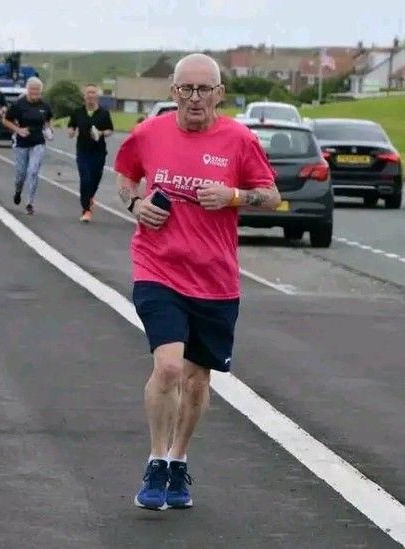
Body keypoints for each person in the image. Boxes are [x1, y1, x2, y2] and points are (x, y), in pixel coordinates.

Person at [114, 53, 282, 510]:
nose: (194, 98)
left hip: (214, 280)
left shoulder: (239, 139)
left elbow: (271, 196)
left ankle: (178, 459)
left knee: (195, 380)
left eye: (204, 89)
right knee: (167, 366)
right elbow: (125, 174)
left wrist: (233, 196)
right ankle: (155, 461)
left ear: (219, 94)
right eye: (186, 89)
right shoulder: (150, 133)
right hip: (158, 268)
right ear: (173, 93)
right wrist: (134, 205)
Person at [2, 77, 53, 214]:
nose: (34, 92)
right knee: (21, 174)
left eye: (37, 90)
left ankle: (30, 203)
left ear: (41, 91)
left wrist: (48, 131)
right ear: (28, 89)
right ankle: (18, 190)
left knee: (33, 171)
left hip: (38, 142)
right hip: (21, 143)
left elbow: (47, 120)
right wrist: (18, 130)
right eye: (32, 89)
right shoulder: (19, 105)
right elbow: (6, 121)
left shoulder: (45, 106)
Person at [67, 84, 114, 223]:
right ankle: (86, 209)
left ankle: (90, 197)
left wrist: (100, 133)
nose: (91, 96)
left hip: (98, 152)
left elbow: (110, 130)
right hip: (83, 151)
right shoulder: (78, 112)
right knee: (85, 179)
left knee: (94, 180)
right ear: (85, 96)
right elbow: (71, 125)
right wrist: (71, 131)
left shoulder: (104, 113)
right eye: (88, 93)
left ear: (97, 96)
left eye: (93, 93)